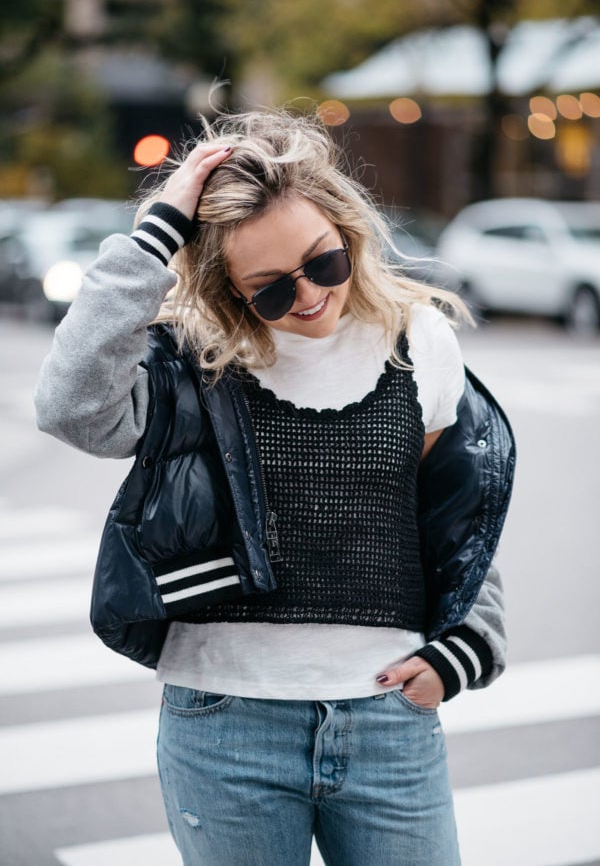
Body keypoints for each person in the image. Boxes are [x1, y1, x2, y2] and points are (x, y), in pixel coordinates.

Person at [34, 109, 515, 866]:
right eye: (269, 289)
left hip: (387, 717)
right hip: (226, 725)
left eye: (324, 262)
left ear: (347, 228)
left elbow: (454, 516)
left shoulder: (420, 338)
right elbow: (69, 409)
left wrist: (469, 644)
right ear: (230, 287)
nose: (309, 296)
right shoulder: (193, 357)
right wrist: (157, 231)